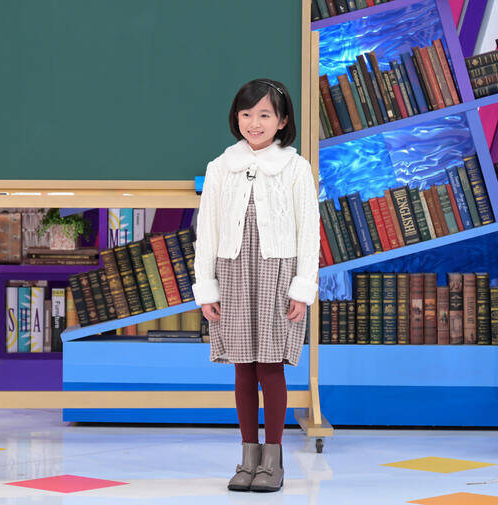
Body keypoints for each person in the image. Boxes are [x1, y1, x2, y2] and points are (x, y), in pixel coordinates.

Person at [191, 78, 319, 493]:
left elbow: (309, 232)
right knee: (243, 367)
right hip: (231, 273)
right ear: (236, 118)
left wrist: (302, 288)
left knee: (270, 365)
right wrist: (206, 288)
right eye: (246, 114)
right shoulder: (220, 167)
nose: (254, 123)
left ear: (282, 121)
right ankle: (248, 458)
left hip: (277, 274)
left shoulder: (296, 168)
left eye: (264, 114)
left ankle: (273, 459)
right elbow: (207, 232)